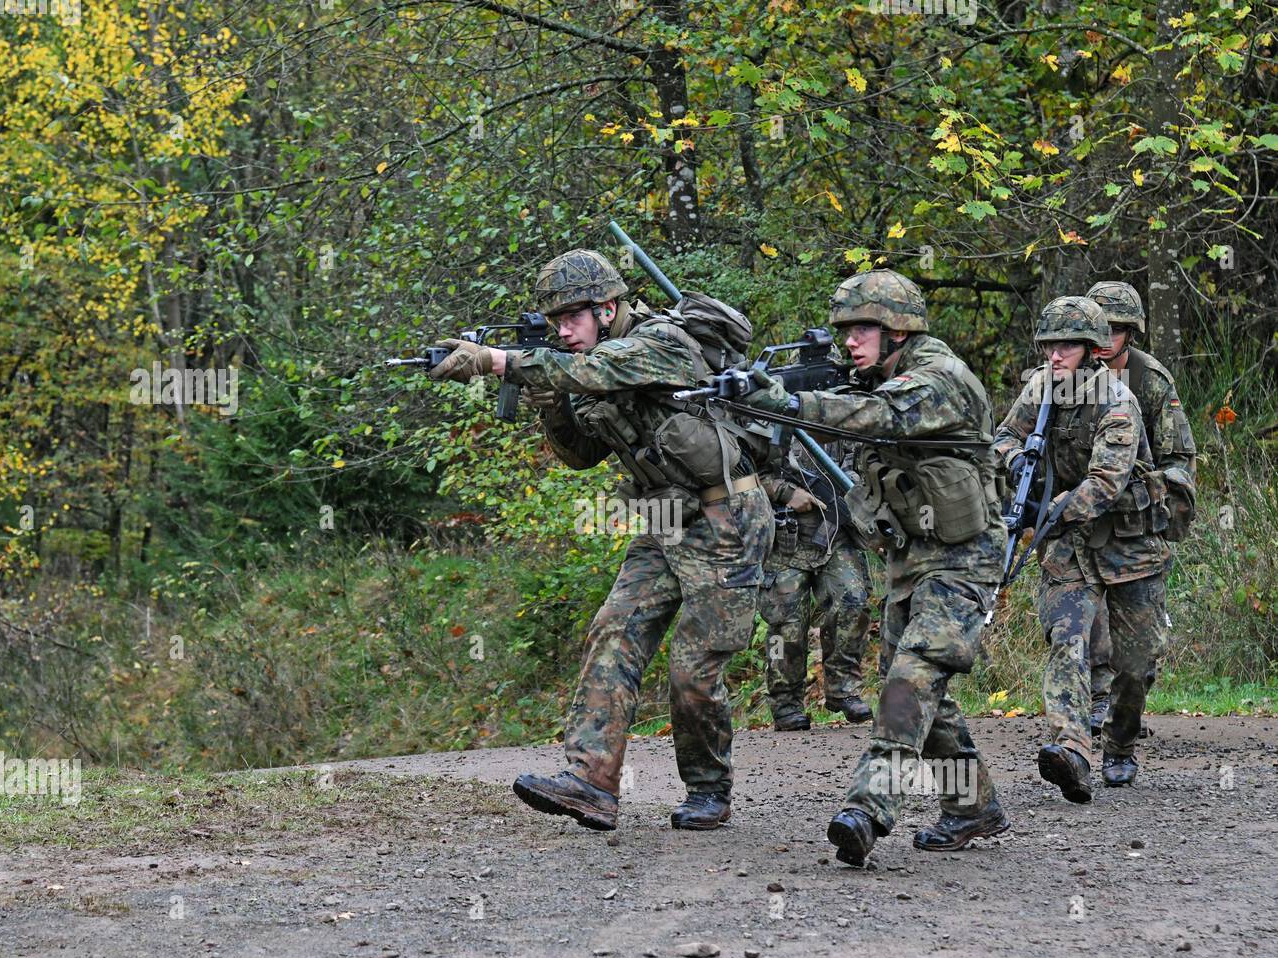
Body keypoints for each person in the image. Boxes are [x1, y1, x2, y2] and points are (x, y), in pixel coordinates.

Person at [427, 249, 773, 831]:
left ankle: (709, 789)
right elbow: (581, 457)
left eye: (572, 318)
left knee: (693, 667)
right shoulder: (582, 362)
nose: (563, 331)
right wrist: (550, 406)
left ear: (608, 308)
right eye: (556, 321)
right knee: (615, 627)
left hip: (726, 518)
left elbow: (597, 371)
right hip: (665, 517)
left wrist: (495, 361)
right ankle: (592, 782)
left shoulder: (656, 342)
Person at [739, 270, 1009, 865]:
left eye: (863, 328)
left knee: (907, 681)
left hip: (964, 559)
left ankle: (870, 806)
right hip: (911, 558)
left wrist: (788, 402)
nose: (850, 342)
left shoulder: (940, 379)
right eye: (845, 330)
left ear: (898, 330)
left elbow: (878, 416)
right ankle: (973, 808)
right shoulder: (873, 377)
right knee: (918, 687)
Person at [993, 296, 1169, 802]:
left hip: (1128, 542)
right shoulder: (1039, 389)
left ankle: (1119, 744)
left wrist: (1050, 507)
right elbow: (1003, 437)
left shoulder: (1117, 400)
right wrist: (1019, 466)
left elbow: (1105, 483)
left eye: (1067, 344)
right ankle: (1071, 748)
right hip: (1069, 546)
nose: (1055, 354)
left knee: (1135, 665)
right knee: (1066, 641)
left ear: (1091, 349)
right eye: (1049, 344)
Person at [1083, 281, 1197, 767]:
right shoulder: (1062, 376)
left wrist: (1142, 489)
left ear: (1132, 332)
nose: (1109, 337)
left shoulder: (1150, 379)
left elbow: (1178, 458)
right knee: (1077, 633)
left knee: (1138, 656)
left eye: (1119, 329)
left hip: (1133, 525)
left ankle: (1120, 731)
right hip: (1081, 525)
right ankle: (1083, 723)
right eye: (1102, 328)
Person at [759, 430, 873, 731]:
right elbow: (740, 476)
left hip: (838, 531)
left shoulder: (849, 414)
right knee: (786, 623)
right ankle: (785, 703)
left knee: (852, 600)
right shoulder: (772, 420)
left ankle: (843, 689)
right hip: (786, 538)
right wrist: (784, 491)